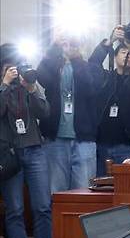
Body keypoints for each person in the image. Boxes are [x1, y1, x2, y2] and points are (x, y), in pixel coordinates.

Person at [0, 43, 53, 238]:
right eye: (9, 67)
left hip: (34, 149)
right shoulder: (2, 87)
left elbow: (45, 112)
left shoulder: (28, 83)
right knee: (15, 208)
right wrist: (4, 84)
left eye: (16, 67)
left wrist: (31, 87)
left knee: (42, 205)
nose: (15, 71)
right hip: (9, 154)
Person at [37, 35, 97, 193]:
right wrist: (54, 45)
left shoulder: (87, 66)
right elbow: (41, 77)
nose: (69, 46)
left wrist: (76, 59)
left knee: (84, 193)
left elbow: (90, 88)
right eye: (66, 43)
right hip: (56, 138)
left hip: (83, 138)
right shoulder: (53, 65)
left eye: (73, 43)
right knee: (56, 192)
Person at [89, 30, 130, 176]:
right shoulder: (105, 77)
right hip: (102, 144)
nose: (126, 55)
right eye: (123, 52)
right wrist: (109, 42)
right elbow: (92, 64)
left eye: (129, 53)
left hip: (126, 145)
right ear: (115, 57)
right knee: (102, 187)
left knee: (126, 184)